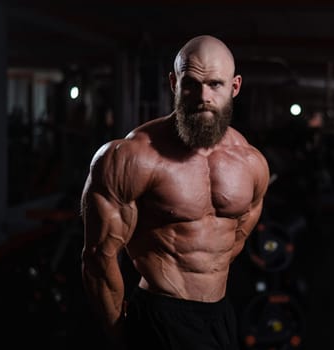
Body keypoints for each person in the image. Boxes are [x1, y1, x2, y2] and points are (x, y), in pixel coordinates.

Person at [80, 35, 270, 350]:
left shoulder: (251, 163)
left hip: (221, 316)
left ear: (235, 87)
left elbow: (235, 242)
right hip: (159, 315)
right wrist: (121, 335)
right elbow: (99, 257)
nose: (203, 96)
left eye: (215, 85)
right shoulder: (131, 157)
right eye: (192, 84)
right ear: (173, 82)